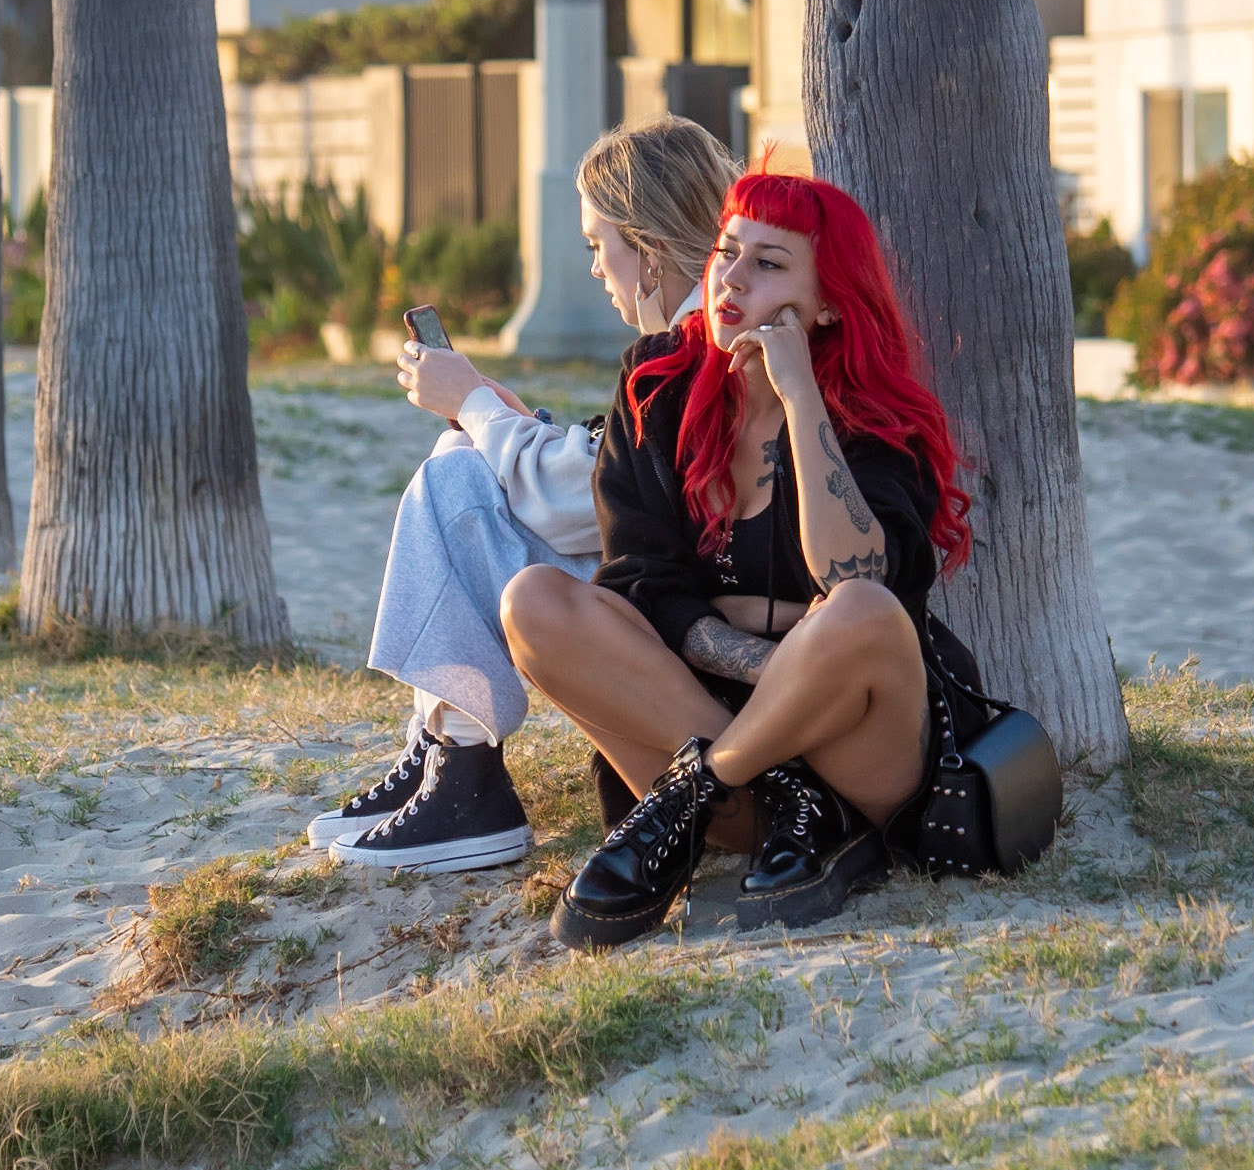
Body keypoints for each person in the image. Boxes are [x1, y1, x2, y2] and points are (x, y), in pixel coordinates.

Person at [500, 166, 986, 948]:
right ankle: (769, 799)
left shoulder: (875, 415)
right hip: (744, 771)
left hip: (860, 758)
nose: (732, 278)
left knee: (860, 612)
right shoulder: (654, 386)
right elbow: (640, 581)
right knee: (534, 601)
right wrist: (784, 656)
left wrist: (801, 400)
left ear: (827, 302)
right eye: (728, 252)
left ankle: (692, 795)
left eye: (769, 264)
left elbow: (859, 583)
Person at [306, 116, 739, 873]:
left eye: (598, 245)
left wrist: (477, 403)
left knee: (457, 475)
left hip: (671, 622)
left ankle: (465, 775)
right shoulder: (717, 327)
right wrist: (494, 415)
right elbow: (611, 468)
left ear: (647, 247)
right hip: (677, 604)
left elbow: (581, 501)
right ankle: (445, 744)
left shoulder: (693, 343)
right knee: (462, 455)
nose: (597, 271)